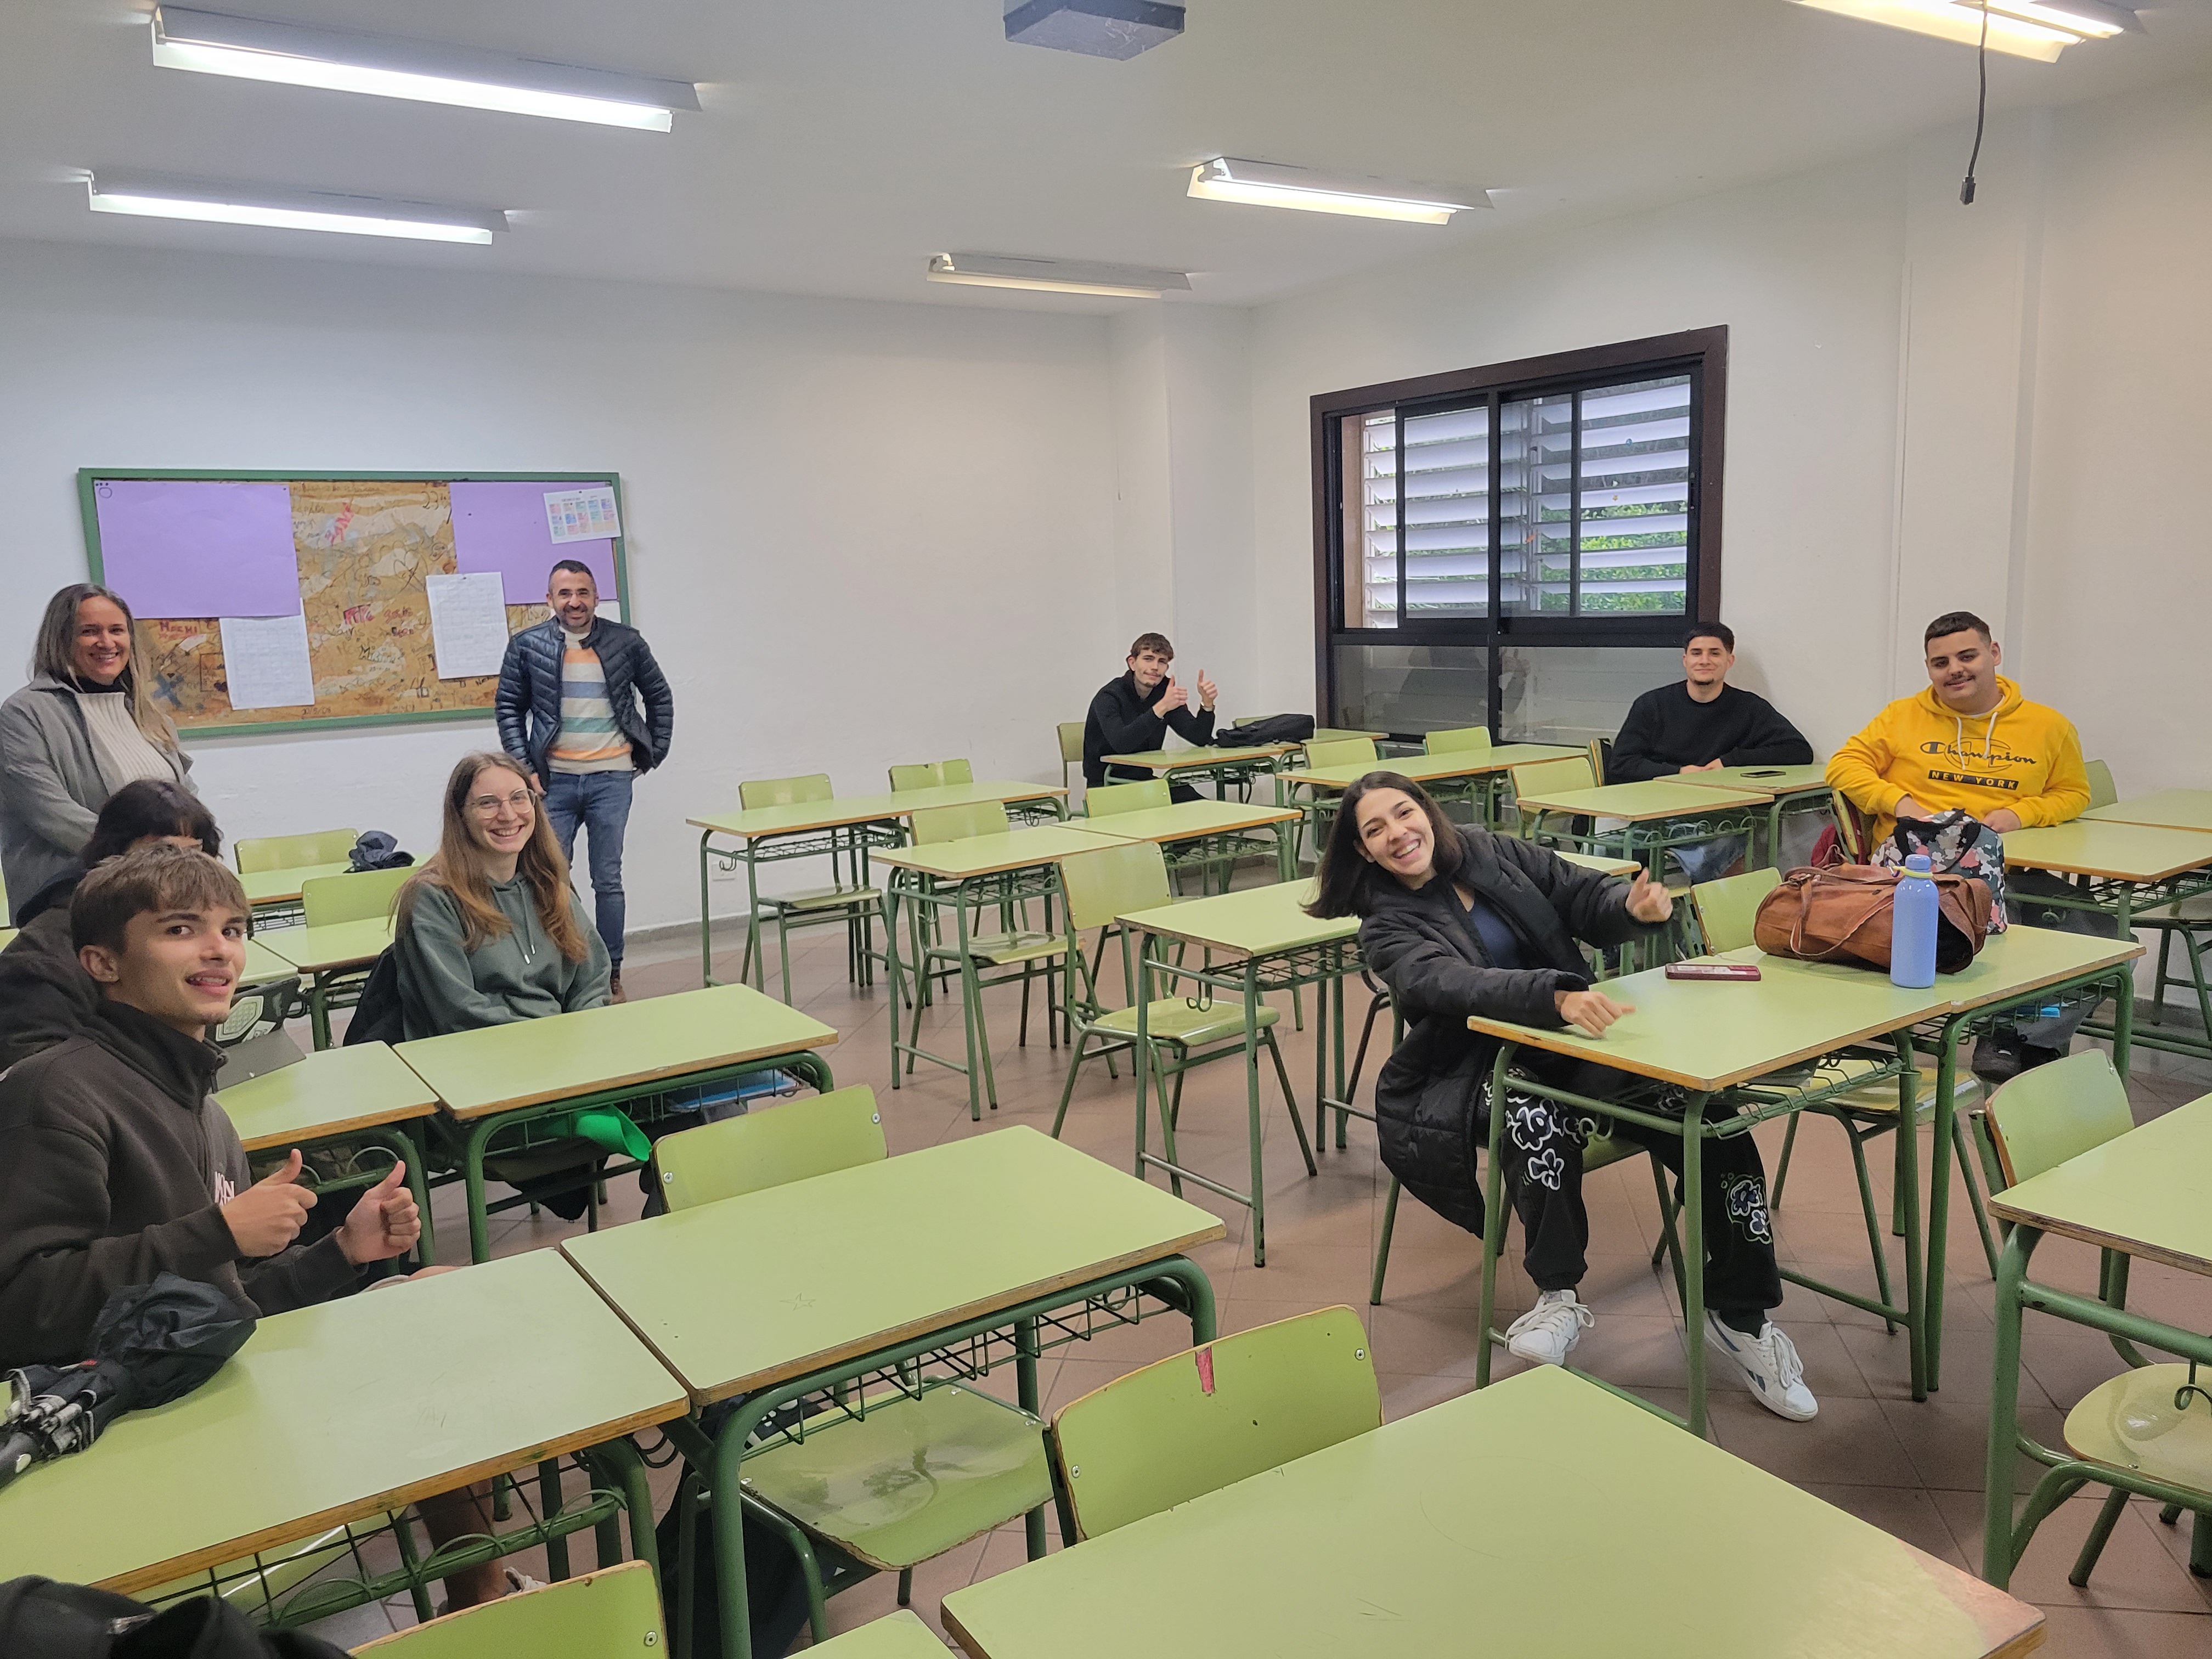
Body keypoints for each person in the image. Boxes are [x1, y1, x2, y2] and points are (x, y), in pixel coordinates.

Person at [0, 843, 519, 1610]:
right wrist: (217, 1232)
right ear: (103, 963)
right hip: (107, 1418)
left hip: (194, 1373)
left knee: (434, 1295)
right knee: (419, 1333)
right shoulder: (56, 1092)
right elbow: (20, 1307)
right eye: (181, 930)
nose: (219, 950)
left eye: (233, 929)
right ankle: (482, 1597)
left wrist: (342, 1252)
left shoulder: (205, 1110)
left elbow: (223, 1304)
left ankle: (481, 1599)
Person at [1307, 771, 1817, 1420]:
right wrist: (1554, 996)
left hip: (1574, 1045)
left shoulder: (1492, 851)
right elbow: (1451, 983)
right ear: (1362, 850)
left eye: (1404, 814)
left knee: (1714, 1123)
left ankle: (1740, 1315)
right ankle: (1558, 1297)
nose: (1397, 834)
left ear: (1427, 812)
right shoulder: (1384, 925)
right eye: (1375, 830)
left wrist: (1629, 908)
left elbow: (1578, 893)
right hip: (1469, 1068)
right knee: (1532, 1117)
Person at [1828, 610, 2092, 1078]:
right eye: (1941, 662)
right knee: (2014, 936)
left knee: (2101, 940)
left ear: (1994, 654)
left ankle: (2021, 1035)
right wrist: (1899, 802)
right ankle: (1996, 1031)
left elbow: (2073, 792)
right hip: (1915, 879)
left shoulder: (2049, 726)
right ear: (1929, 668)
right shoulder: (1901, 717)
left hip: (2012, 871)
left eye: (1967, 656)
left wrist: (2020, 814)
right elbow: (1843, 765)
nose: (1955, 670)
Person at [494, 561, 673, 998]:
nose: (574, 602)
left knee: (607, 879)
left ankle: (610, 971)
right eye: (565, 593)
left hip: (612, 779)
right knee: (550, 877)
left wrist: (652, 752)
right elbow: (509, 708)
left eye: (583, 593)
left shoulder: (626, 642)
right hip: (552, 783)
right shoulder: (527, 646)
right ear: (550, 599)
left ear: (596, 597)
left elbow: (659, 696)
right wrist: (525, 769)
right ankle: (562, 969)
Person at [0, 778, 222, 1071]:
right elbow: (32, 1077)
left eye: (196, 853)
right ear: (113, 856)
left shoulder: (177, 933)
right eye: (162, 854)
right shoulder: (42, 959)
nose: (186, 870)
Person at [1, 584, 195, 915]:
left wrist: (193, 845)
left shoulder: (147, 712)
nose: (107, 643)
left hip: (160, 888)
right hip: (73, 899)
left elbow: (185, 798)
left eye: (116, 630)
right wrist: (141, 853)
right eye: (89, 632)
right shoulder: (24, 713)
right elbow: (49, 812)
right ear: (61, 640)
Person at [392, 752, 611, 1042]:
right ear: (460, 815)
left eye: (519, 798)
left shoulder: (548, 885)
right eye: (488, 803)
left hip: (561, 1046)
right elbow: (459, 1012)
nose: (508, 815)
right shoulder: (432, 898)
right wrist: (551, 1041)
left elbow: (593, 982)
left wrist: (584, 1036)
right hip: (481, 1052)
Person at [1610, 623, 1814, 883]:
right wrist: (1679, 773)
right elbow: (1621, 765)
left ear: (1729, 661)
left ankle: (1715, 907)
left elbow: (1798, 750)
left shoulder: (1748, 707)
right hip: (1656, 813)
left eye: (1715, 653)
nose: (1704, 660)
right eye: (1697, 653)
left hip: (1720, 815)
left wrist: (1730, 761)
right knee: (1613, 850)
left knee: (1728, 842)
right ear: (1685, 660)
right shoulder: (1651, 705)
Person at [1082, 632, 1220, 803]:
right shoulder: (1109, 696)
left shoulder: (1164, 691)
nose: (1155, 667)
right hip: (1106, 785)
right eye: (1148, 659)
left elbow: (1199, 737)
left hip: (1144, 781)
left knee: (1199, 804)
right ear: (1132, 663)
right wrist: (1161, 708)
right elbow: (1121, 743)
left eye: (1162, 662)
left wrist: (1207, 705)